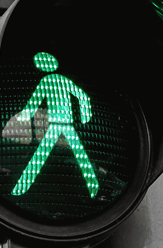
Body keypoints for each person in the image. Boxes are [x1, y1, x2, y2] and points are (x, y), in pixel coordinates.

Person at [11, 52, 99, 198]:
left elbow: (35, 100)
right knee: (80, 156)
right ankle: (93, 186)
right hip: (67, 124)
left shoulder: (47, 80)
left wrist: (24, 117)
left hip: (57, 124)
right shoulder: (64, 80)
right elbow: (83, 96)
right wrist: (85, 116)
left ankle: (21, 187)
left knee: (41, 155)